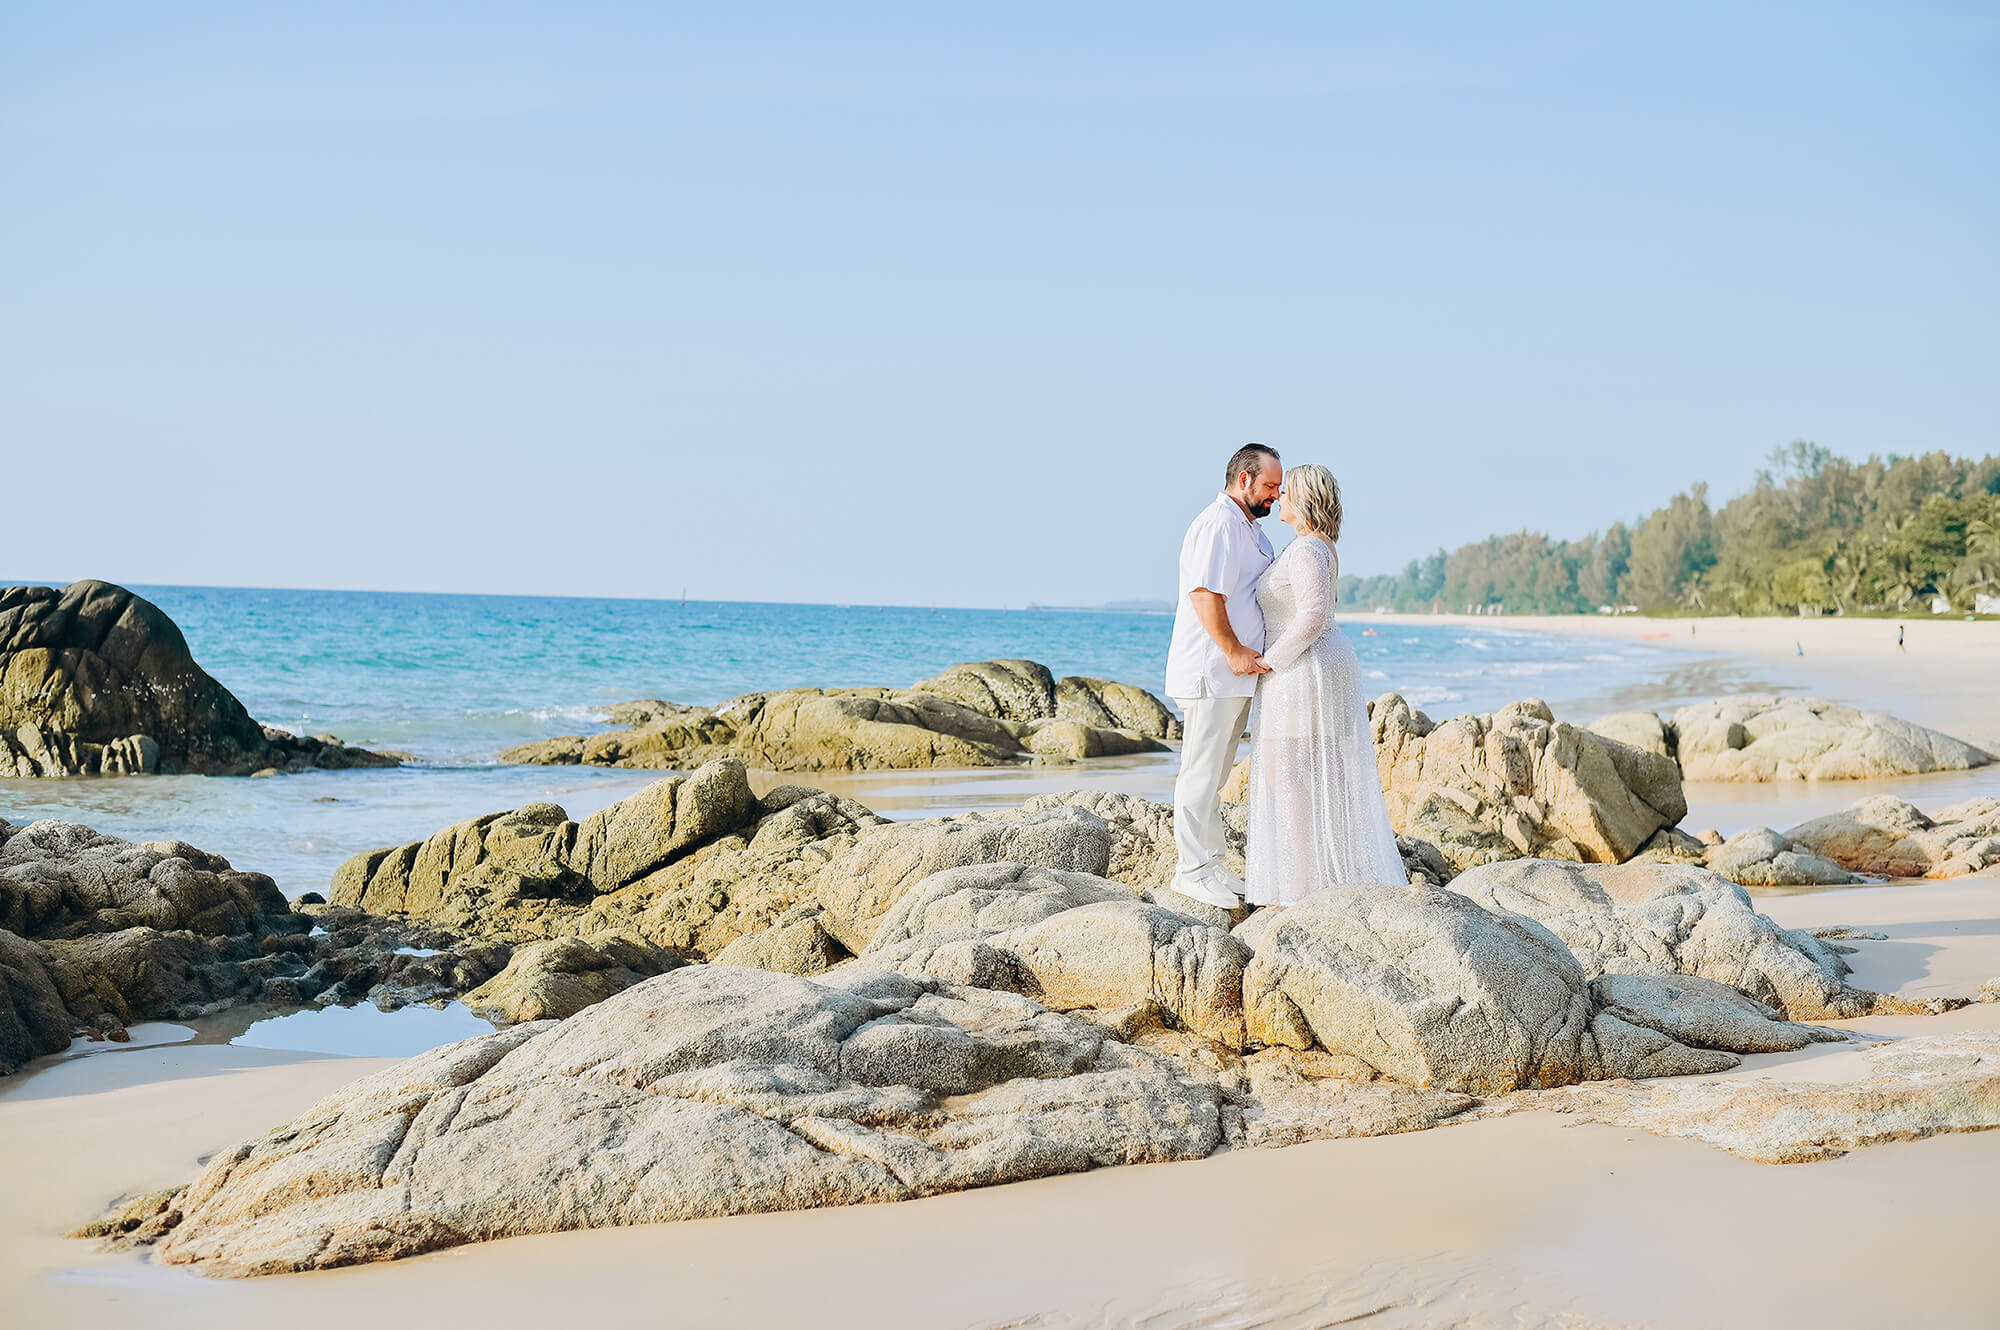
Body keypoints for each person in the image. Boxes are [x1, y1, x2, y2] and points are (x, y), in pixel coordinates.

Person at [1242, 463, 1408, 906]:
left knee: (1288, 769)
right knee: (1302, 768)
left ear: (1306, 498)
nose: (1277, 497)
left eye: (1286, 491)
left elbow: (1314, 614)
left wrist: (1267, 662)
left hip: (1304, 665)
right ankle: (1319, 866)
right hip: (1308, 661)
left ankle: (1309, 873)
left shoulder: (1309, 549)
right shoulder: (1314, 546)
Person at [1164, 445, 1280, 908]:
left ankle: (1210, 863)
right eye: (1270, 485)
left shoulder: (1248, 527)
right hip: (1212, 671)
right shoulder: (1217, 525)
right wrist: (1233, 650)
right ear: (1244, 480)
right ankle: (1189, 869)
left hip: (1234, 676)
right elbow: (1204, 595)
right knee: (1199, 772)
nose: (1277, 494)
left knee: (1216, 775)